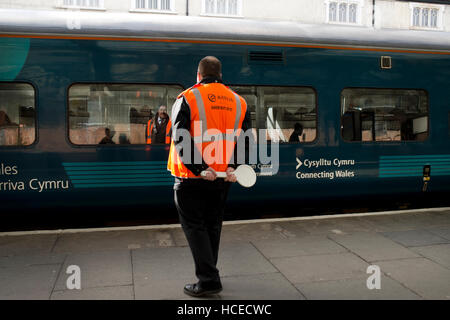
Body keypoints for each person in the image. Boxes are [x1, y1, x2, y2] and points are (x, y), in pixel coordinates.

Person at [167, 56, 251, 297]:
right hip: (223, 177)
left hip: (192, 178)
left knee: (194, 226)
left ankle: (209, 280)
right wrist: (234, 166)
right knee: (212, 226)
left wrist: (200, 168)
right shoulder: (239, 101)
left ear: (198, 75)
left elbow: (180, 135)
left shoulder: (188, 97)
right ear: (220, 75)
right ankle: (210, 273)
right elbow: (246, 140)